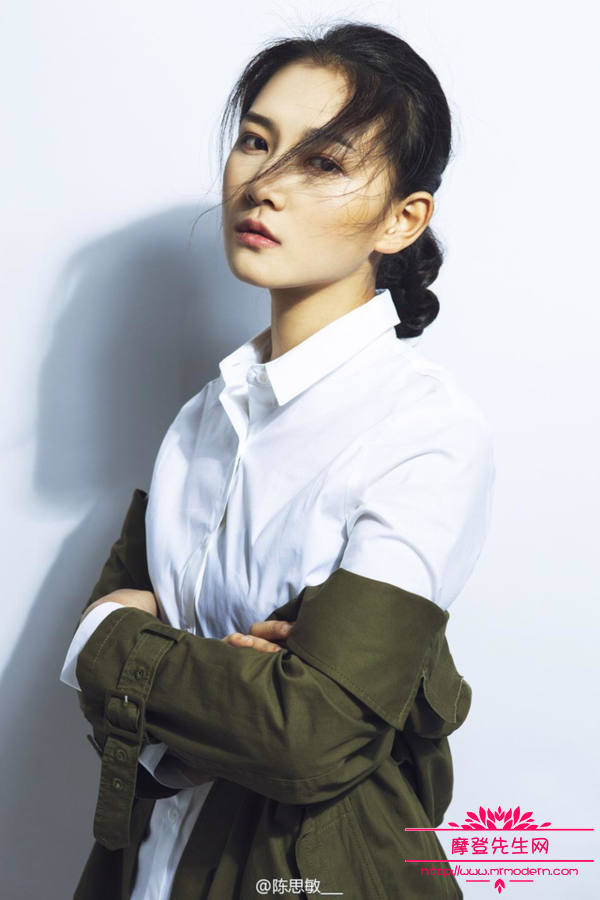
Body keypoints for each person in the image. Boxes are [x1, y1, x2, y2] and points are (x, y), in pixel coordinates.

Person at [60, 21, 496, 900]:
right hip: (148, 863)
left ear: (403, 219)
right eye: (256, 142)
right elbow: (112, 722)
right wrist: (208, 698)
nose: (265, 182)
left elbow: (309, 734)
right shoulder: (200, 419)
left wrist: (105, 639)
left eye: (324, 162)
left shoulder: (425, 427)